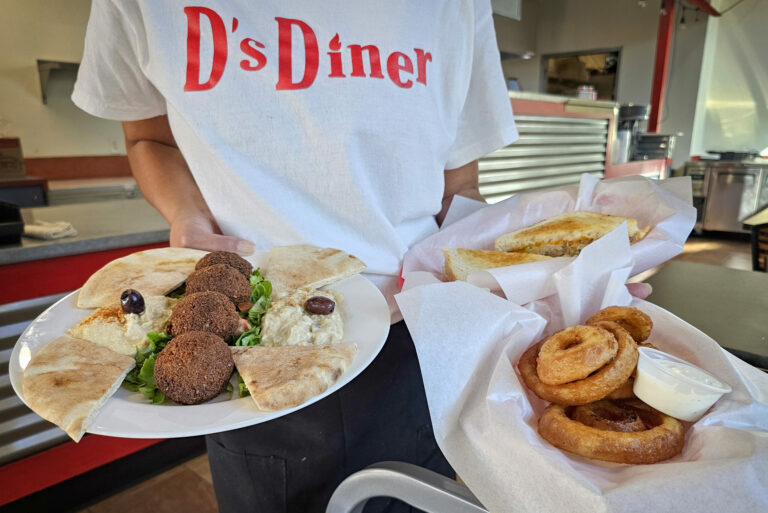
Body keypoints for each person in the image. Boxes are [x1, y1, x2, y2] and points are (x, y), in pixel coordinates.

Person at [73, 2, 649, 511]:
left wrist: (535, 283)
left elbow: (459, 184)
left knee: (409, 491)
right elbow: (149, 137)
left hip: (413, 332)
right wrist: (188, 217)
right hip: (248, 346)